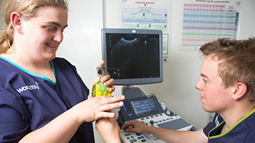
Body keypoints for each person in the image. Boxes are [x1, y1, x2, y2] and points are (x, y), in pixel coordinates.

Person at [0, 0, 124, 142]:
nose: (59, 38)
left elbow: (84, 112)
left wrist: (95, 99)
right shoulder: (4, 80)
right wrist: (78, 114)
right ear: (18, 22)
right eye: (50, 28)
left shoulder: (64, 67)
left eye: (63, 29)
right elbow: (80, 112)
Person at [118, 38, 255, 143]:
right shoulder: (225, 116)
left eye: (205, 80)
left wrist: (111, 137)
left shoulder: (246, 138)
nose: (197, 85)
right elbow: (195, 138)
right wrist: (147, 128)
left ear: (237, 90)